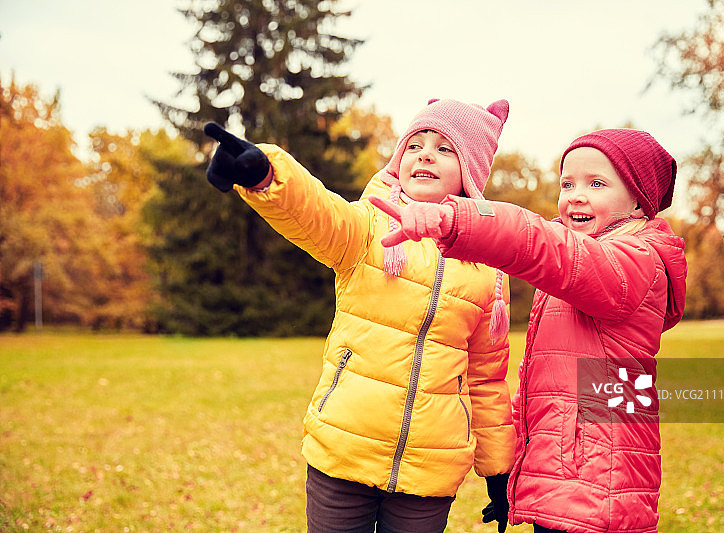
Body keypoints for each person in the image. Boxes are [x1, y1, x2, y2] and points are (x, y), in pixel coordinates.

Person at [203, 98, 517, 533]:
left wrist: (498, 470)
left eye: (445, 149)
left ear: (473, 173)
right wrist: (267, 174)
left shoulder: (486, 267)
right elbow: (315, 212)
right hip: (344, 450)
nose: (425, 154)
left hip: (430, 469)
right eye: (415, 144)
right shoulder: (367, 226)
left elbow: (485, 377)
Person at [370, 128, 688, 533]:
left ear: (640, 202)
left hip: (597, 483)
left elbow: (540, 243)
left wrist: (455, 219)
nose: (575, 194)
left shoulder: (634, 262)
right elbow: (545, 387)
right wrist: (507, 472)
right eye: (567, 183)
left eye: (597, 183)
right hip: (566, 476)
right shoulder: (579, 268)